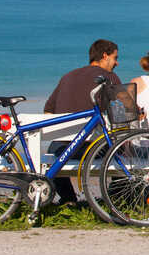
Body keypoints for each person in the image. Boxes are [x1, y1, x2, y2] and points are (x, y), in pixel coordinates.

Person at [44, 39, 121, 203]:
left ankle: (69, 199)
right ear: (104, 56)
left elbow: (48, 111)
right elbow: (123, 111)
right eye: (115, 58)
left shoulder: (68, 76)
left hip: (62, 148)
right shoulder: (108, 77)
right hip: (92, 148)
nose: (117, 63)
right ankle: (116, 197)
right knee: (121, 149)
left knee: (54, 151)